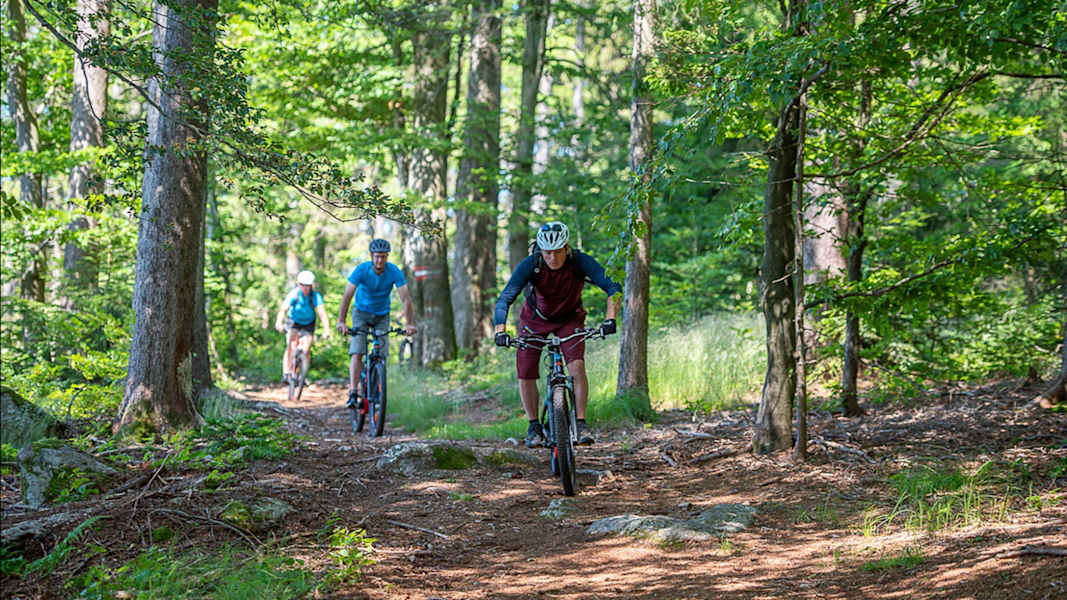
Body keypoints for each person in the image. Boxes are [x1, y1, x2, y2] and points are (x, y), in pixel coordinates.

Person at [493, 221, 621, 448]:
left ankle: (580, 423)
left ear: (567, 248)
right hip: (535, 318)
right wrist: (500, 331)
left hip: (569, 318)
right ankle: (534, 426)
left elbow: (612, 287)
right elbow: (505, 298)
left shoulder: (580, 261)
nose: (553, 257)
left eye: (558, 252)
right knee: (526, 370)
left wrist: (610, 319)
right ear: (541, 251)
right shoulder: (531, 265)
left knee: (576, 367)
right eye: (547, 252)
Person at [336, 238, 417, 409]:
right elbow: (347, 296)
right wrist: (341, 321)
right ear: (371, 256)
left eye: (383, 257)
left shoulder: (394, 271)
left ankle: (377, 387)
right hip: (361, 313)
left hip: (382, 314)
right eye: (377, 256)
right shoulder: (362, 270)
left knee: (381, 353)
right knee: (358, 351)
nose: (380, 260)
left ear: (387, 257)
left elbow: (405, 298)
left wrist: (409, 324)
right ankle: (353, 392)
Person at [275, 270, 330, 384]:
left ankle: (302, 374)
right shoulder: (293, 294)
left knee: (306, 349)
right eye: (303, 285)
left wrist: (327, 329)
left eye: (308, 286)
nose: (305, 288)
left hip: (308, 323)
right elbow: (283, 310)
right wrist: (279, 322)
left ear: (311, 286)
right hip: (293, 321)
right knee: (290, 345)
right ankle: (286, 374)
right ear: (298, 284)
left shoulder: (315, 296)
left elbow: (322, 313)